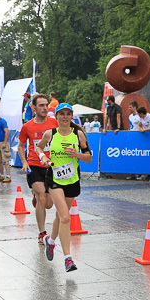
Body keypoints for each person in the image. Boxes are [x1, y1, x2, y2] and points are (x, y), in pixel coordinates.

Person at [36, 103, 92, 272]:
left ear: (71, 117)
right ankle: (68, 258)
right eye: (62, 114)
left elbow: (89, 158)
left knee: (61, 217)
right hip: (54, 179)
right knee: (66, 217)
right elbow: (38, 147)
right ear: (57, 116)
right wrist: (43, 158)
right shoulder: (50, 134)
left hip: (72, 180)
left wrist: (77, 155)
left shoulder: (78, 134)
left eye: (68, 114)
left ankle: (50, 241)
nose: (65, 117)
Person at [18, 94, 58, 245]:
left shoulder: (54, 122)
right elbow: (21, 146)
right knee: (42, 196)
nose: (45, 108)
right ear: (34, 107)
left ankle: (36, 198)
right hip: (34, 165)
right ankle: (42, 233)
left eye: (46, 105)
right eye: (41, 105)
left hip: (51, 165)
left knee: (48, 204)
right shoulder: (27, 126)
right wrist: (24, 162)